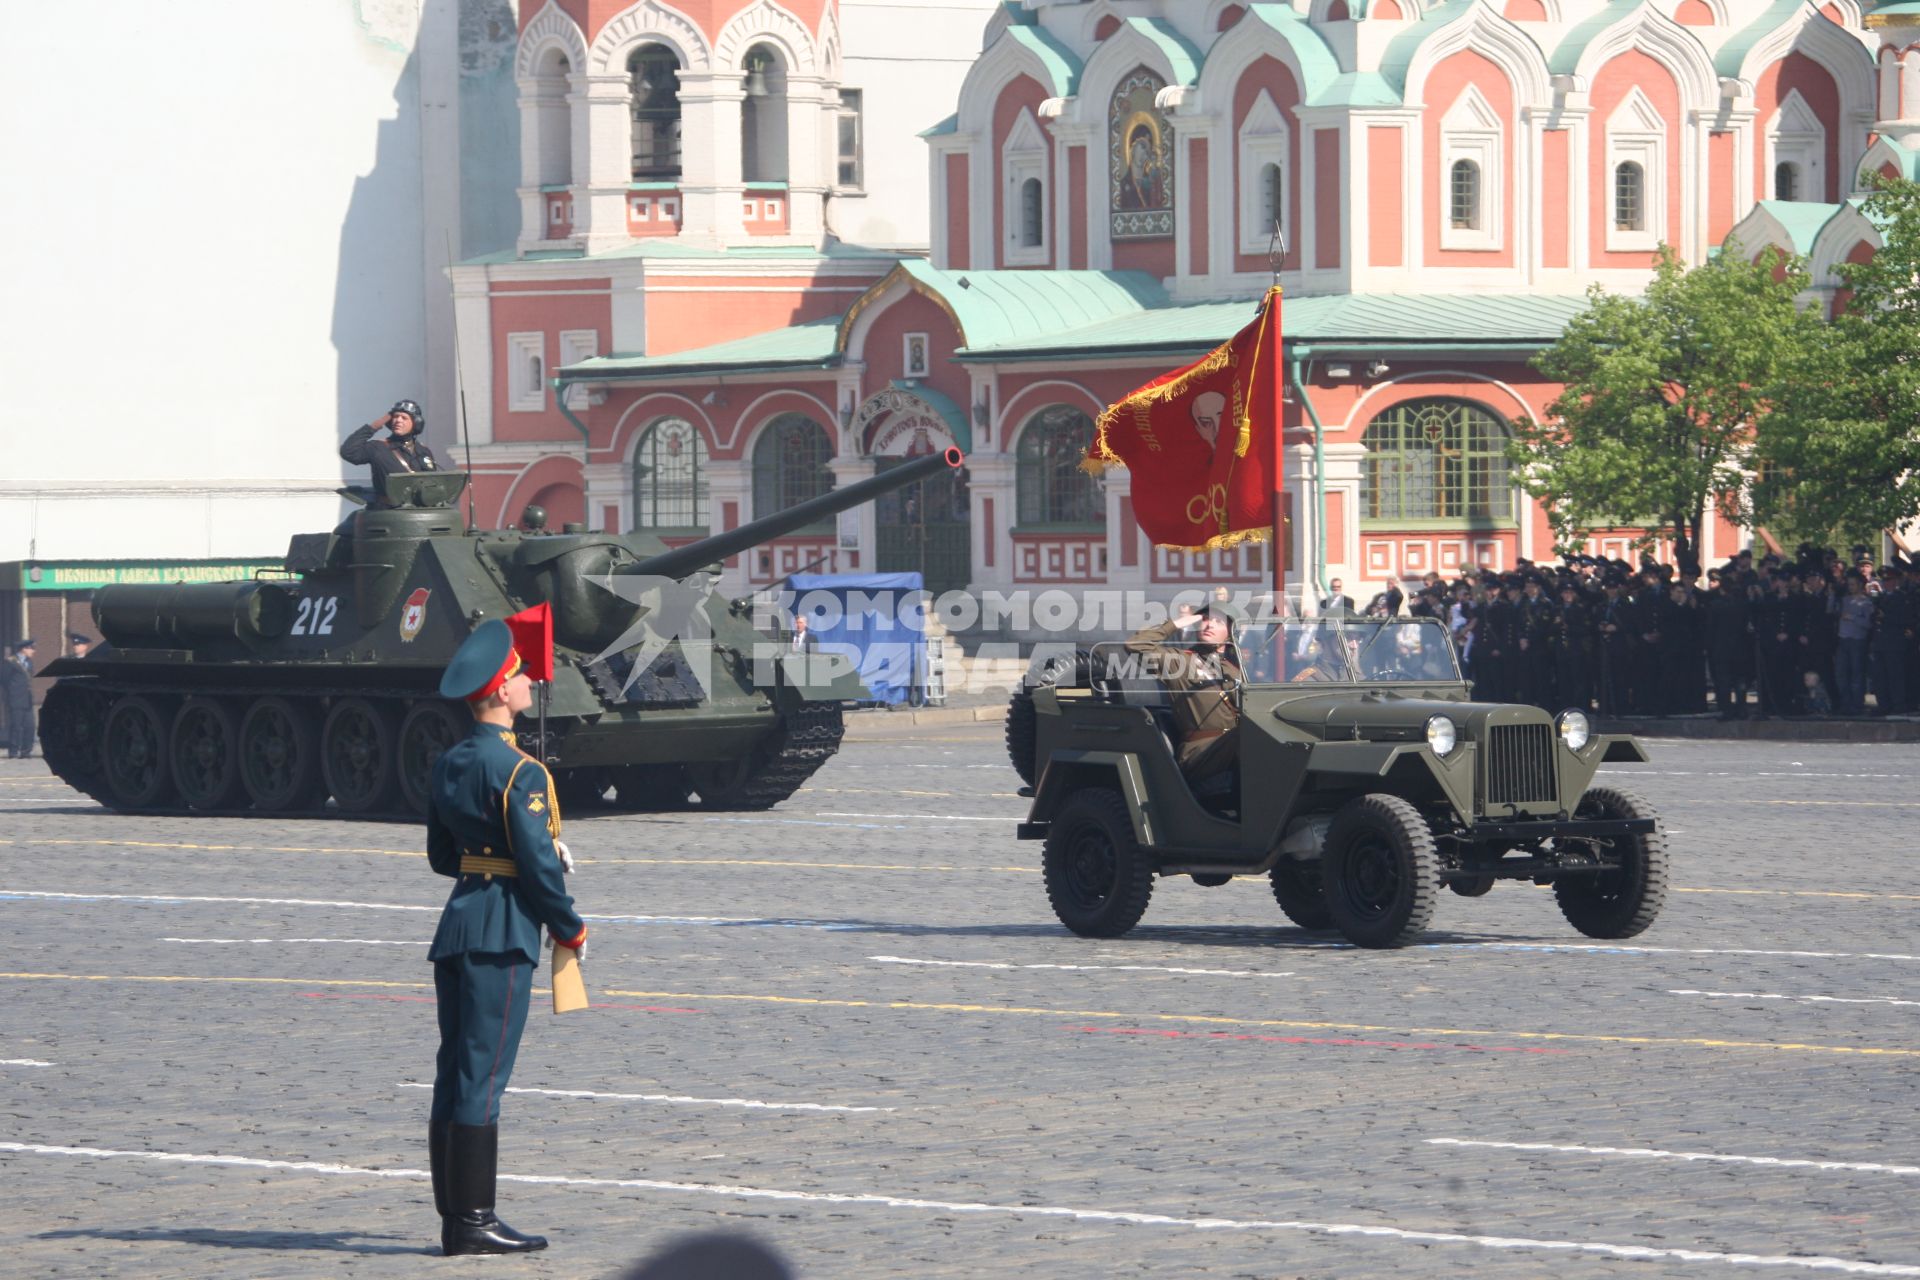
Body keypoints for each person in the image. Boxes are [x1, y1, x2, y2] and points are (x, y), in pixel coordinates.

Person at [425, 619, 588, 1256]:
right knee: (483, 1077)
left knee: (454, 1073)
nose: (528, 682)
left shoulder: (450, 763)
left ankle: (455, 1217)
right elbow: (539, 870)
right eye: (519, 676)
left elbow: (443, 856)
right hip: (503, 931)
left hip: (459, 922)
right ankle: (473, 1222)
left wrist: (492, 856)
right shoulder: (520, 771)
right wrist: (569, 925)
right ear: (499, 692)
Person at [1124, 600, 1244, 787]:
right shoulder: (1180, 662)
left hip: (1233, 748)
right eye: (1204, 619)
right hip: (1199, 752)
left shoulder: (1235, 670)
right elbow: (1135, 645)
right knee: (1248, 737)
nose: (1209, 624)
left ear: (1231, 633)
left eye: (1218, 622)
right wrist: (1177, 623)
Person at [341, 399, 440, 505]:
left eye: (404, 418)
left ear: (416, 423)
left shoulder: (423, 451)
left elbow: (432, 483)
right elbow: (348, 451)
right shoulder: (378, 447)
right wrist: (374, 426)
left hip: (418, 512)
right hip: (389, 511)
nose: (398, 420)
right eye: (395, 417)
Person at [3, 639, 35, 758]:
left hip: (27, 700)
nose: (33, 651)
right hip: (15, 699)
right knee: (16, 726)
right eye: (31, 648)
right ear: (24, 649)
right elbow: (4, 680)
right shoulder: (10, 662)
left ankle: (26, 751)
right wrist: (12, 693)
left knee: (30, 726)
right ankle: (13, 751)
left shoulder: (29, 662)